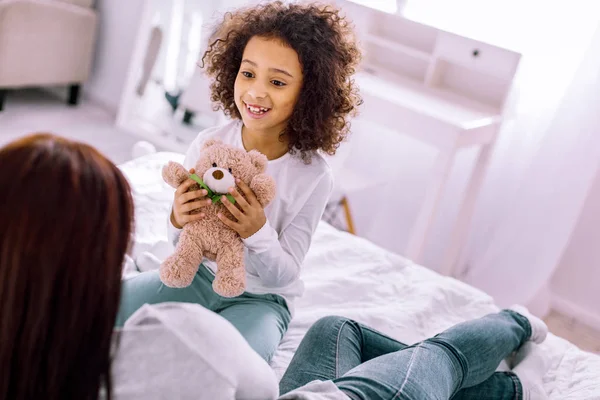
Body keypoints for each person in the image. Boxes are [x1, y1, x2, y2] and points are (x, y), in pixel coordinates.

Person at [0, 134, 550, 400]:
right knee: (427, 362)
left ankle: (504, 382)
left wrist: (248, 231)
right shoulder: (176, 336)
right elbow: (263, 392)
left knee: (337, 332)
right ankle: (514, 338)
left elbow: (281, 274)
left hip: (258, 294)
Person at [115, 0, 361, 362]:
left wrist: (256, 230)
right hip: (197, 276)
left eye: (277, 82)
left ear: (309, 92)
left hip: (260, 300)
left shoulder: (313, 176)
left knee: (234, 366)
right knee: (102, 307)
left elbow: (284, 276)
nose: (256, 92)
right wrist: (177, 217)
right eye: (248, 74)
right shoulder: (209, 143)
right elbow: (182, 242)